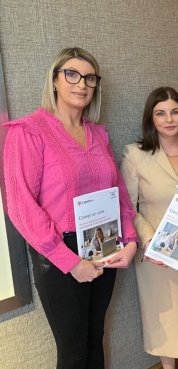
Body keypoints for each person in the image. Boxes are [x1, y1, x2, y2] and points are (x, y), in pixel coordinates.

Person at [3, 47, 138, 369]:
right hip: (60, 252)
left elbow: (116, 190)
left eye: (89, 78)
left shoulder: (97, 133)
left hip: (104, 241)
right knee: (73, 350)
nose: (82, 84)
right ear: (54, 80)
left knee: (95, 337)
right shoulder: (29, 132)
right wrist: (69, 261)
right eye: (72, 74)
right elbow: (20, 206)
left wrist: (130, 239)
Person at [120, 86, 178, 369]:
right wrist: (149, 240)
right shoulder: (135, 155)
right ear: (151, 118)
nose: (169, 119)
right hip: (155, 253)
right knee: (165, 319)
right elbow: (129, 207)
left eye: (175, 111)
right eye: (160, 113)